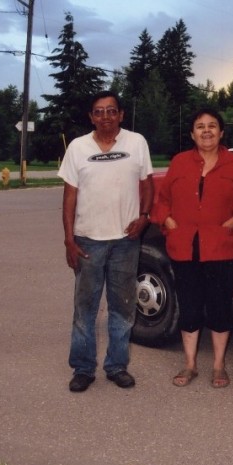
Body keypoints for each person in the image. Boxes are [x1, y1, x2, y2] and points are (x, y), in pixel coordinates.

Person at [152, 108, 233, 389]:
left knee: (219, 307)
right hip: (185, 247)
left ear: (222, 132)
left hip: (224, 248)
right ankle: (189, 364)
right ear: (192, 134)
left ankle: (218, 365)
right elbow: (161, 200)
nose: (206, 131)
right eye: (200, 126)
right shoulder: (179, 163)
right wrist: (167, 219)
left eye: (212, 126)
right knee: (189, 306)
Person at [59, 90, 154, 392]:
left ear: (121, 115)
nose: (105, 117)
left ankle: (116, 366)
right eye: (98, 112)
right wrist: (69, 240)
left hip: (126, 241)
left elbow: (147, 183)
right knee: (84, 309)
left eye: (111, 111)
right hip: (88, 241)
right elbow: (69, 196)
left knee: (123, 307)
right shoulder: (77, 147)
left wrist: (145, 216)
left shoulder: (136, 143)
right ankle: (83, 369)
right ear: (91, 117)